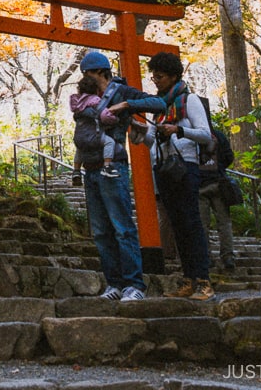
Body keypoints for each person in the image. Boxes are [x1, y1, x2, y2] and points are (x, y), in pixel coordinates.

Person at [113, 51, 215, 301]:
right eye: (153, 76)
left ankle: (204, 281)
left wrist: (178, 129)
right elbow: (154, 141)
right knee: (178, 227)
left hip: (185, 168)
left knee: (191, 224)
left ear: (172, 76)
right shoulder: (159, 105)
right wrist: (142, 131)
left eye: (159, 76)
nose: (155, 80)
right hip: (163, 169)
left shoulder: (187, 100)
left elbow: (205, 133)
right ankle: (188, 280)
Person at [75, 51, 164, 303]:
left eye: (89, 74)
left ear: (102, 72)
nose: (86, 79)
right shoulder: (86, 97)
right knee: (101, 231)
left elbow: (159, 104)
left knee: (122, 227)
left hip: (114, 166)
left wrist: (127, 106)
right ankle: (113, 283)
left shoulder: (122, 91)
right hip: (90, 167)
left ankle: (134, 284)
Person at [198, 122, 237, 272]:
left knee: (202, 224)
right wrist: (220, 168)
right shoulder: (218, 135)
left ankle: (206, 257)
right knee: (224, 222)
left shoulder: (193, 135)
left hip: (200, 185)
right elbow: (229, 156)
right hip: (219, 183)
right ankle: (228, 256)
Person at [69, 73, 121, 181]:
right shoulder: (95, 100)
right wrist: (115, 120)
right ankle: (107, 166)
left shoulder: (77, 103)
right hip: (94, 136)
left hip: (79, 137)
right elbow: (104, 116)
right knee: (109, 142)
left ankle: (76, 171)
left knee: (80, 149)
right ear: (96, 89)